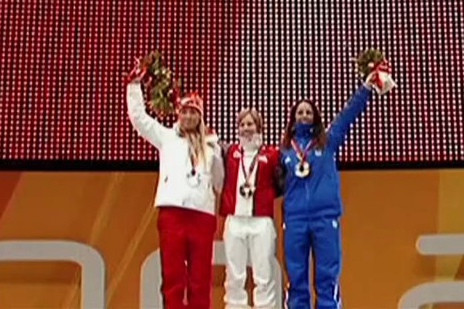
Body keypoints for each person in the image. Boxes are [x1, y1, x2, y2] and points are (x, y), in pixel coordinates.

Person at [280, 68, 395, 309]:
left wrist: (365, 88)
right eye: (300, 112)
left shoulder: (328, 141)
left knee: (326, 275)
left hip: (325, 217)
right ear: (293, 117)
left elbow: (347, 115)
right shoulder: (284, 151)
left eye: (308, 112)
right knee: (296, 277)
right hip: (295, 219)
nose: (304, 115)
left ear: (315, 117)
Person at [127, 58, 224, 309]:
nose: (189, 116)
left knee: (200, 279)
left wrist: (217, 151)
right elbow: (139, 119)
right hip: (172, 214)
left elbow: (220, 182)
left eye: (194, 112)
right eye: (185, 111)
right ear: (179, 114)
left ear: (200, 117)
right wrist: (134, 85)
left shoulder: (210, 145)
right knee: (172, 277)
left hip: (202, 216)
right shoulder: (167, 138)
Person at [219, 108, 283, 309]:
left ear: (259, 127)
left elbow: (281, 182)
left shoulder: (272, 154)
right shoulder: (229, 152)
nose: (246, 128)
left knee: (263, 274)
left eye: (250, 124)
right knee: (234, 274)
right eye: (242, 124)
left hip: (261, 221)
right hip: (235, 220)